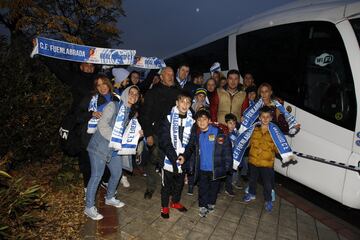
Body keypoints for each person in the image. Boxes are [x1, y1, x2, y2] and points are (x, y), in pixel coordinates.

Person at [84, 86, 141, 220]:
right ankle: (89, 207)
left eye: (136, 94)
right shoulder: (113, 105)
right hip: (99, 146)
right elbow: (102, 125)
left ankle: (109, 197)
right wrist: (116, 139)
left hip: (113, 149)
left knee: (117, 173)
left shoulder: (129, 112)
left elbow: (125, 132)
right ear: (126, 94)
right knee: (96, 176)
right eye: (131, 93)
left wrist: (138, 134)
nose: (133, 95)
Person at [139, 67, 181, 199]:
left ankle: (170, 188)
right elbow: (144, 115)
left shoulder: (178, 92)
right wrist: (148, 134)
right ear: (161, 77)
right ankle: (150, 187)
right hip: (156, 133)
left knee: (172, 161)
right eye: (167, 74)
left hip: (173, 134)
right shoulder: (152, 93)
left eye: (172, 74)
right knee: (153, 160)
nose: (170, 76)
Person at [183, 109, 233, 218]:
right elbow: (191, 148)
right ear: (196, 122)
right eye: (199, 120)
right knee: (203, 188)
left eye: (204, 119)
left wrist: (228, 164)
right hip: (202, 168)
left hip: (215, 168)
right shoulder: (196, 134)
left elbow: (227, 149)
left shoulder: (218, 132)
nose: (201, 122)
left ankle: (211, 203)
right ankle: (202, 206)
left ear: (209, 120)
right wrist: (185, 158)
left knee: (214, 188)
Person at [76, 75, 119, 195]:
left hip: (108, 138)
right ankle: (87, 190)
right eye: (98, 85)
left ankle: (106, 182)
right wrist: (91, 113)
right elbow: (78, 115)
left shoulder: (116, 98)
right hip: (89, 138)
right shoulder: (91, 98)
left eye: (104, 83)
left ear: (109, 84)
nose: (102, 87)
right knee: (88, 166)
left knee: (108, 162)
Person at [158, 91, 194, 219]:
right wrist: (174, 158)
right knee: (166, 186)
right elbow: (164, 140)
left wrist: (185, 156)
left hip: (183, 160)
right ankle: (165, 206)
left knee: (179, 185)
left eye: (188, 102)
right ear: (177, 103)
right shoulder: (168, 118)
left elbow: (191, 142)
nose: (185, 104)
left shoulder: (192, 121)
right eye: (182, 101)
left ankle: (175, 202)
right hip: (168, 159)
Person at [242, 106, 280, 212]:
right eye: (263, 116)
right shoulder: (254, 129)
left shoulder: (274, 133)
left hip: (266, 164)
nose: (265, 119)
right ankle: (252, 193)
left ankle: (268, 200)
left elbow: (278, 148)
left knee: (267, 183)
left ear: (271, 118)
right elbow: (247, 142)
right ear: (259, 118)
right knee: (252, 179)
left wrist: (283, 152)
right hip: (253, 161)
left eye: (268, 117)